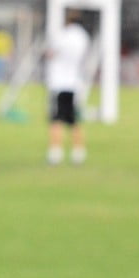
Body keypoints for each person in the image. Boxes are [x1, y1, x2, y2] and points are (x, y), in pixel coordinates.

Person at [45, 9, 90, 165]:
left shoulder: (63, 35)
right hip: (75, 82)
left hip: (59, 82)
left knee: (56, 119)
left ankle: (55, 153)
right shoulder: (84, 37)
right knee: (74, 120)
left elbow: (52, 53)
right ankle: (79, 152)